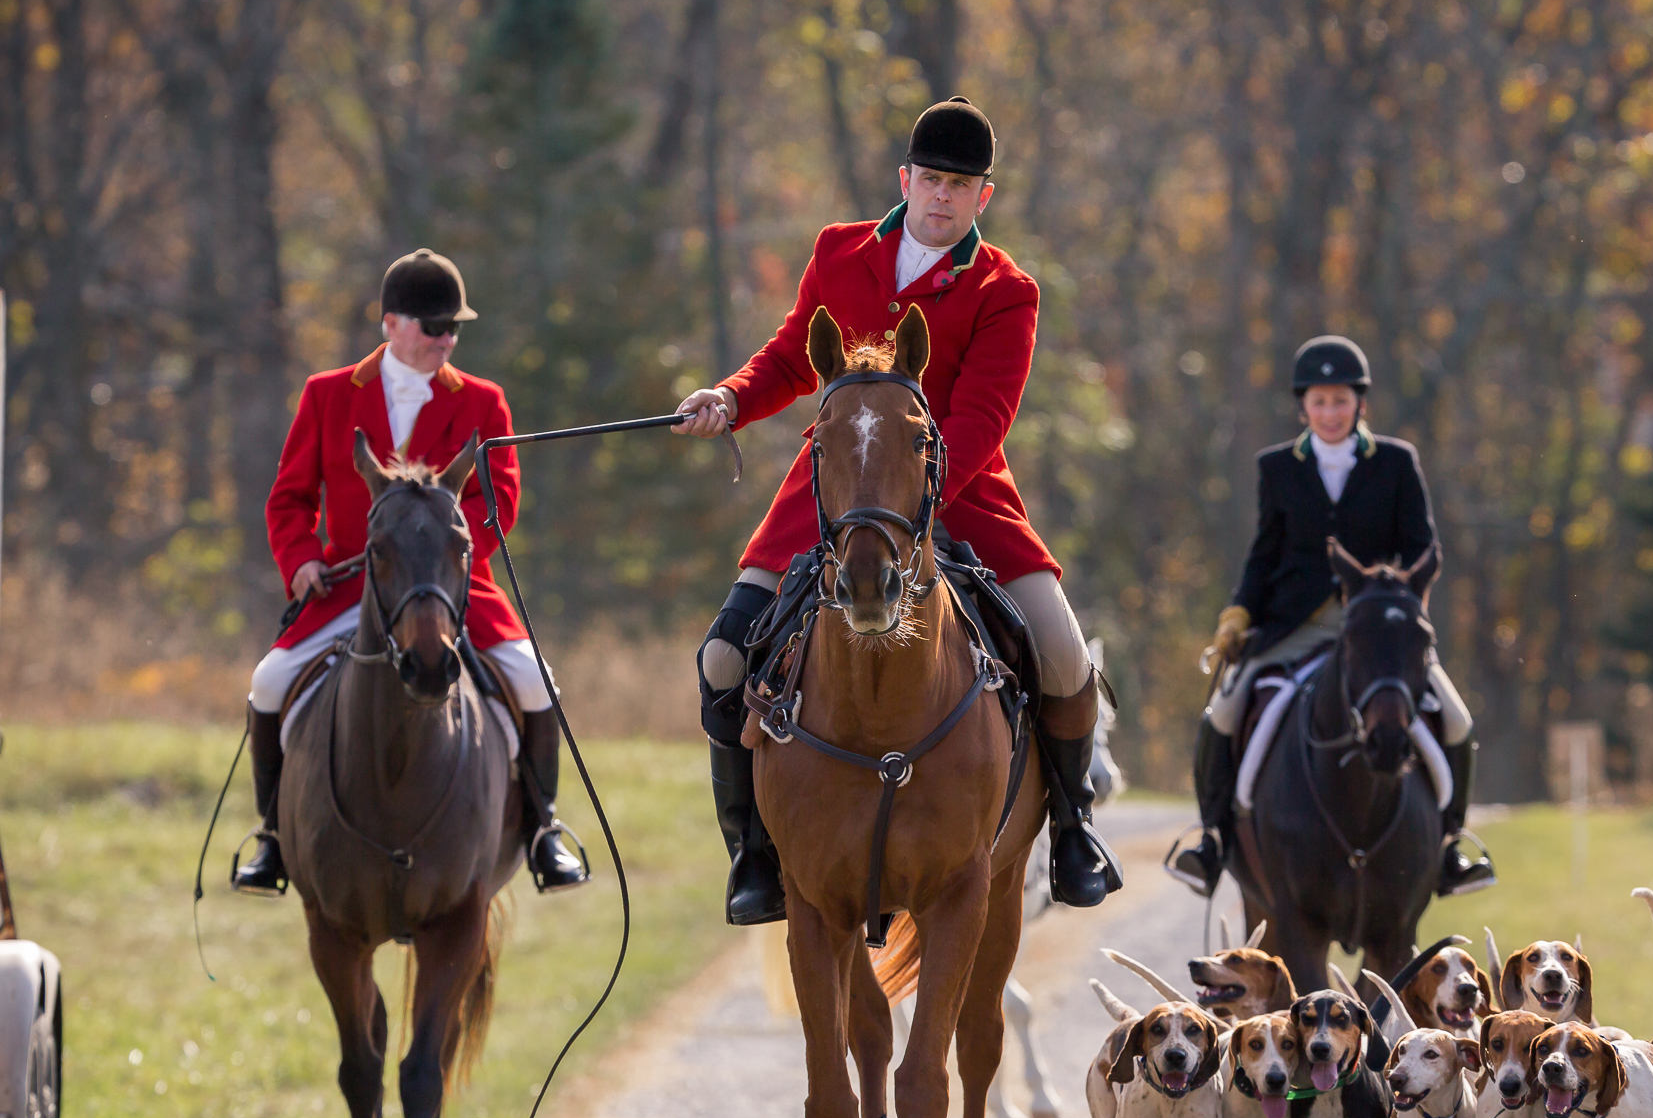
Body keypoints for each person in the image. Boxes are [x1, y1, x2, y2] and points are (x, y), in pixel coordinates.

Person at [675, 97, 1120, 926]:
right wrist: (730, 399)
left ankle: (1072, 831)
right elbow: (787, 356)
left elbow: (983, 420)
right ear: (904, 179)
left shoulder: (1007, 289)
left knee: (1061, 657)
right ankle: (754, 855)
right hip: (835, 496)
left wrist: (910, 504)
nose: (943, 197)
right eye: (931, 179)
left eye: (961, 184)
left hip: (961, 490)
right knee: (723, 661)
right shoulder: (840, 252)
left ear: (983, 196)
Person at [231, 249, 591, 898]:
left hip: (451, 589)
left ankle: (543, 831)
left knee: (536, 680)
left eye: (453, 328)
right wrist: (303, 559)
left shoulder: (484, 401)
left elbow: (498, 499)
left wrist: (443, 563)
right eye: (432, 327)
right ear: (390, 324)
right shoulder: (327, 395)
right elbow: (288, 498)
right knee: (269, 680)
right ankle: (272, 839)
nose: (445, 339)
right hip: (345, 585)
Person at [1168, 335, 1495, 899]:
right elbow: (1264, 554)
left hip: (1379, 628)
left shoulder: (1395, 461)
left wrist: (1398, 601)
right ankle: (1213, 839)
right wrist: (1239, 613)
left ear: (1360, 404)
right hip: (1292, 626)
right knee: (1221, 713)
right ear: (1303, 407)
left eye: (1340, 401)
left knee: (1458, 721)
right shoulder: (1277, 468)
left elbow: (1423, 549)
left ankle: (1450, 847)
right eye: (1318, 402)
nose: (1329, 413)